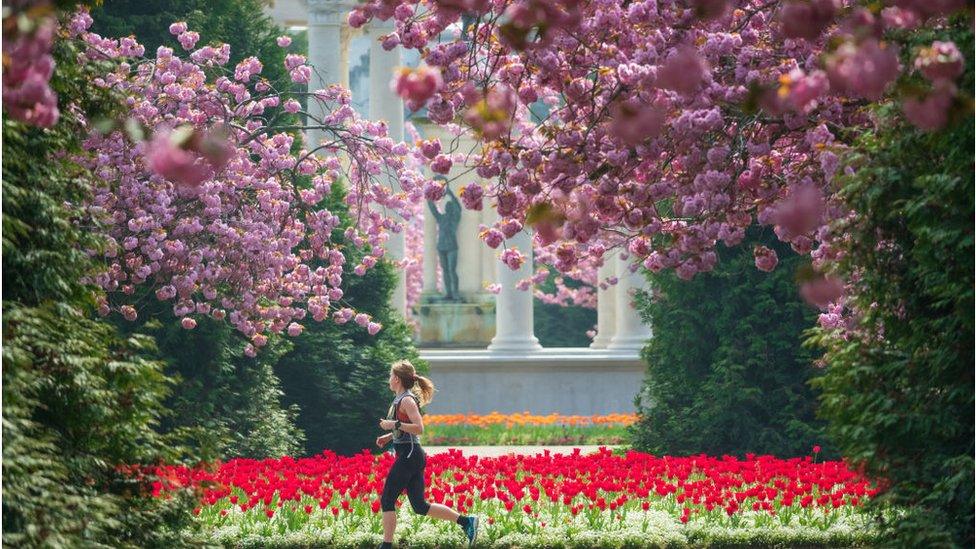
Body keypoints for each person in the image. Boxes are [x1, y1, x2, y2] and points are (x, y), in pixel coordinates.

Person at [375, 360, 479, 549]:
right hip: (411, 455)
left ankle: (386, 546)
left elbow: (419, 428)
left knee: (387, 499)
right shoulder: (400, 399)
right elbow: (405, 429)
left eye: (391, 376)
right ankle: (467, 522)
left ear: (397, 379)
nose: (389, 380)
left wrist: (393, 425)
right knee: (420, 506)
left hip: (409, 455)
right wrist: (389, 436)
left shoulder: (406, 399)